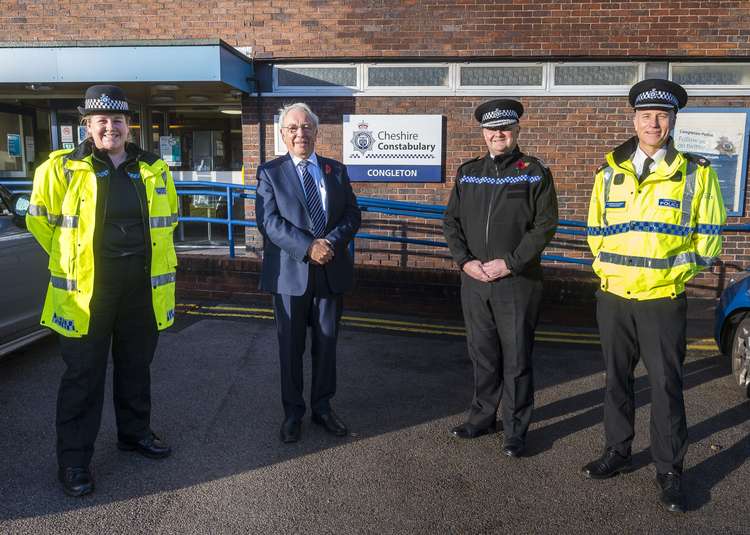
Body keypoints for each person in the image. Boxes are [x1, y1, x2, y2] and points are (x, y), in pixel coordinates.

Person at [26, 85, 179, 497]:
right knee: (82, 377)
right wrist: (74, 261)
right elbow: (40, 223)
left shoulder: (152, 167)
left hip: (140, 288)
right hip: (86, 293)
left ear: (129, 125)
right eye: (101, 121)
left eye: (117, 120)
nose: (110, 127)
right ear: (87, 125)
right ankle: (74, 461)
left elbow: (170, 220)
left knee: (135, 367)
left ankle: (134, 434)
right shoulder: (60, 169)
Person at [582, 79, 726, 513]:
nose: (653, 123)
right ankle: (618, 452)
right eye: (646, 116)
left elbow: (710, 236)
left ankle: (669, 469)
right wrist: (610, 269)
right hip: (614, 297)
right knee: (616, 381)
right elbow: (595, 232)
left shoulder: (697, 172)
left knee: (665, 385)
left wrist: (678, 272)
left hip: (663, 299)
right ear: (634, 120)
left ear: (673, 121)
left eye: (662, 116)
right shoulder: (607, 173)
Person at [443, 99, 558, 457]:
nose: (498, 135)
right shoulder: (469, 172)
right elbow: (452, 222)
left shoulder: (534, 172)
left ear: (517, 130)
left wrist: (509, 263)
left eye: (505, 128)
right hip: (475, 281)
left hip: (517, 282)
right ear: (483, 134)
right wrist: (465, 263)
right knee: (483, 354)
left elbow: (544, 226)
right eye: (492, 130)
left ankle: (515, 429)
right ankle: (481, 417)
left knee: (517, 358)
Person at [255, 102, 361, 443]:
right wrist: (307, 247)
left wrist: (328, 242)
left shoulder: (336, 170)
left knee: (327, 345)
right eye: (293, 128)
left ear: (317, 132)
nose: (301, 133)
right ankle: (292, 413)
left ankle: (323, 408)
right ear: (283, 135)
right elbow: (269, 222)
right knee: (290, 347)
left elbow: (352, 214)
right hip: (290, 275)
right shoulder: (270, 172)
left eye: (307, 127)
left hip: (330, 270)